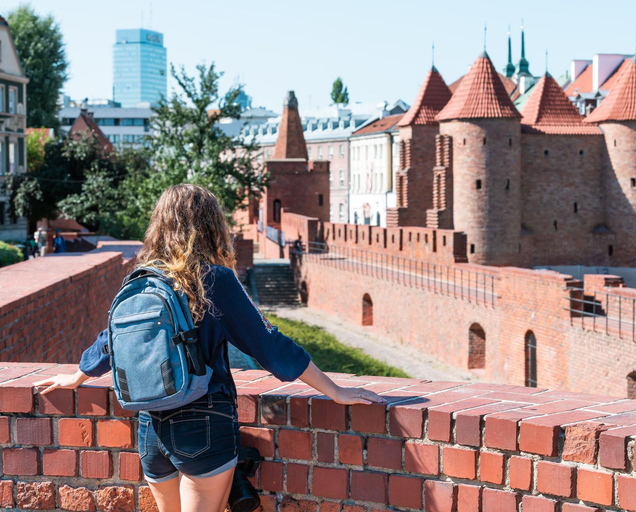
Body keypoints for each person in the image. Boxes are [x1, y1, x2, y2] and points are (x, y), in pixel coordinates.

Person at [35, 184, 384, 512]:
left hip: (150, 427)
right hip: (203, 422)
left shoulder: (142, 279)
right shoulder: (213, 280)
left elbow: (111, 339)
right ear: (211, 226)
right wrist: (335, 390)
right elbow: (270, 345)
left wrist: (79, 375)